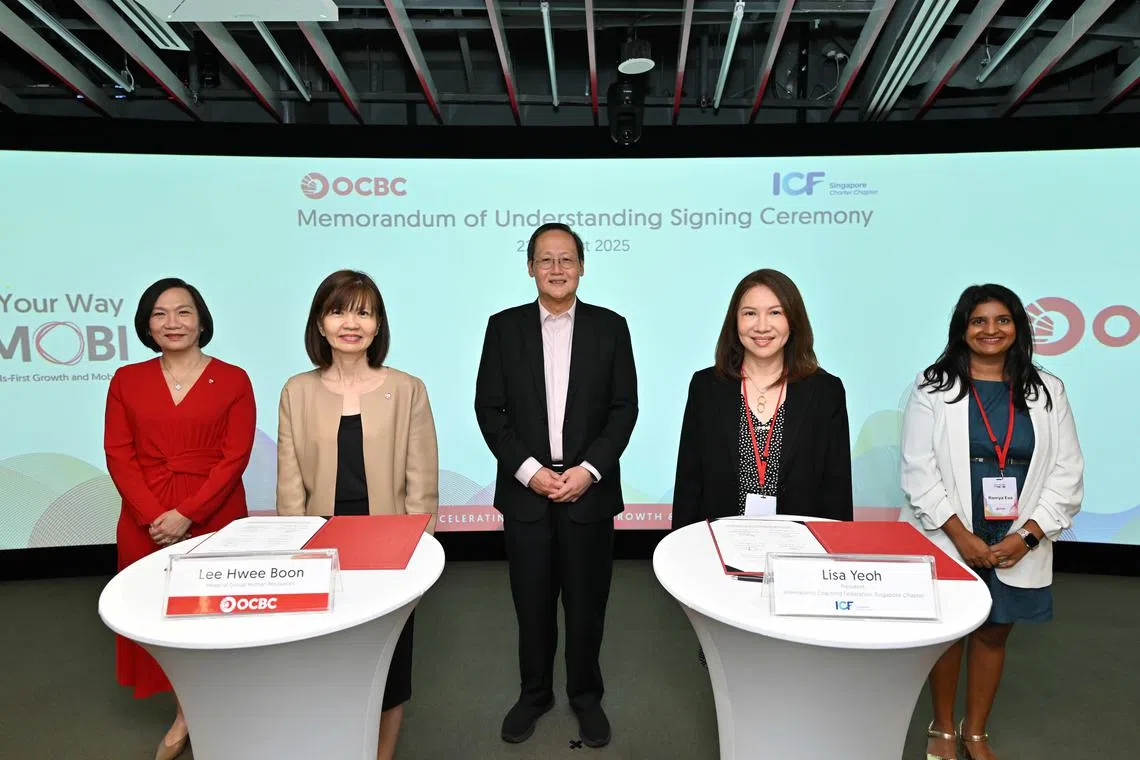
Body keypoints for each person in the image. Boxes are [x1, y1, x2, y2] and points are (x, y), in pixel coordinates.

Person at [899, 284, 1083, 760]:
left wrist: (1028, 536)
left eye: (1002, 320)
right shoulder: (932, 387)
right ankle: (941, 727)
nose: (990, 330)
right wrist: (961, 536)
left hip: (1017, 538)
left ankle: (974, 731)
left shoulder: (1047, 390)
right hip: (949, 533)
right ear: (962, 328)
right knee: (950, 630)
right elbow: (919, 471)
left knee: (994, 630)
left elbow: (1066, 472)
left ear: (1018, 328)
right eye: (979, 320)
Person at [474, 223, 638, 749]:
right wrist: (530, 471)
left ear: (583, 266)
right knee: (533, 603)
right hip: (527, 492)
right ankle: (535, 694)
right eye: (546, 260)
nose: (557, 269)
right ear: (529, 268)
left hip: (588, 491)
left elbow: (623, 410)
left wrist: (588, 471)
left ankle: (586, 697)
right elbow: (489, 409)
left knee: (588, 603)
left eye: (567, 259)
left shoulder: (612, 328)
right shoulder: (503, 328)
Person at [276, 269, 439, 760]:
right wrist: (294, 557)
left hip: (389, 548)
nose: (352, 323)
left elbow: (422, 486)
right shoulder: (297, 391)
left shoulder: (408, 388)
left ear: (378, 325)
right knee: (327, 655)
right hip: (320, 548)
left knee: (390, 660)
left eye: (364, 313)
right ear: (320, 324)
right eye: (339, 310)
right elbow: (290, 487)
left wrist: (415, 553)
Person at [104, 277, 256, 760]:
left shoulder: (233, 378)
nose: (173, 323)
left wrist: (187, 514)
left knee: (214, 614)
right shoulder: (126, 380)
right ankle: (186, 710)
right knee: (158, 616)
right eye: (160, 314)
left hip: (215, 513)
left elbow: (235, 457)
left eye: (184, 312)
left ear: (202, 319)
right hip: (143, 518)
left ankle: (208, 710)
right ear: (147, 325)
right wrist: (156, 517)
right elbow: (118, 454)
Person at [671, 268, 853, 529]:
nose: (762, 326)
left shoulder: (826, 391)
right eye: (750, 313)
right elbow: (690, 482)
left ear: (794, 320)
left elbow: (836, 488)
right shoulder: (706, 387)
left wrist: (835, 556)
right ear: (735, 320)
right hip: (720, 542)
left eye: (775, 312)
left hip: (801, 547)